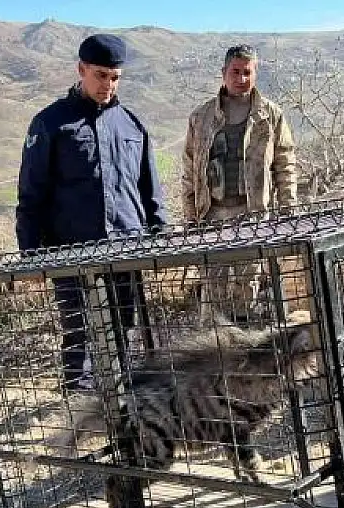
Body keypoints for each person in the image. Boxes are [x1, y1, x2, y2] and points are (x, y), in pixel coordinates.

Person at [15, 34, 167, 391]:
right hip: (72, 249)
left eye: (115, 77)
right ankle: (76, 410)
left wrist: (160, 234)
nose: (108, 85)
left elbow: (151, 189)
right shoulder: (51, 124)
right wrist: (30, 254)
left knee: (124, 328)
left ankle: (122, 405)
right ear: (81, 69)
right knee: (78, 330)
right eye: (101, 75)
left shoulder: (132, 125)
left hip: (126, 245)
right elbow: (31, 192)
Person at [182, 44, 297, 322]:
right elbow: (189, 170)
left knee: (248, 291)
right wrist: (190, 217)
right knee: (213, 291)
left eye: (247, 72)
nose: (241, 78)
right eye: (236, 72)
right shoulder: (201, 117)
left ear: (255, 74)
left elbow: (285, 163)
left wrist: (288, 209)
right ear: (224, 73)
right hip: (212, 216)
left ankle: (246, 351)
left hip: (253, 215)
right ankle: (215, 352)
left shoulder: (270, 116)